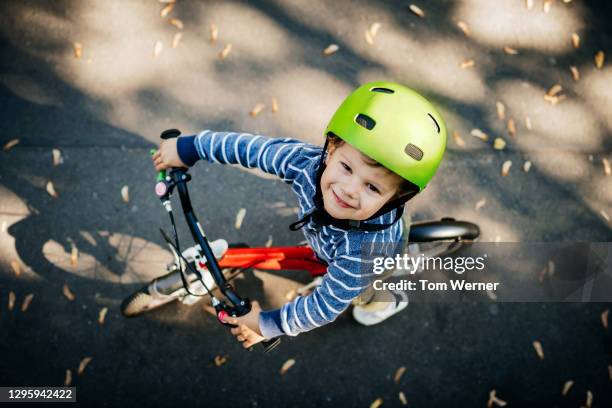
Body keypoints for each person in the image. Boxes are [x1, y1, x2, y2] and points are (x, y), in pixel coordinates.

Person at [151, 81, 447, 348]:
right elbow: (251, 149)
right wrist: (190, 147)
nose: (349, 190)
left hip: (367, 258)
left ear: (396, 198)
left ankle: (388, 304)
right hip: (325, 235)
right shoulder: (304, 163)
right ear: (331, 149)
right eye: (346, 167)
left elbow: (324, 306)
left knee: (363, 294)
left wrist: (267, 326)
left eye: (372, 187)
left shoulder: (363, 253)